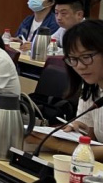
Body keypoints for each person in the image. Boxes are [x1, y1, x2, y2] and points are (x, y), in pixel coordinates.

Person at [35, 20, 103, 160]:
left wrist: (57, 144)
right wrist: (78, 128)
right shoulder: (91, 87)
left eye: (86, 57)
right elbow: (92, 137)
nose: (80, 66)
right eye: (73, 59)